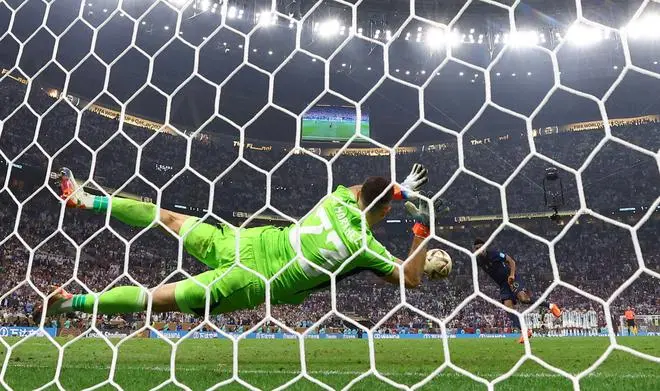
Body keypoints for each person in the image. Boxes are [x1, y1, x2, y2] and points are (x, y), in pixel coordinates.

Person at [35, 165, 433, 320]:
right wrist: (420, 236)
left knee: (166, 217)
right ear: (383, 213)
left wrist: (398, 192)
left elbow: (360, 186)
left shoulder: (338, 198)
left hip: (243, 241)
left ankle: (86, 199)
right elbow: (409, 279)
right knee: (155, 298)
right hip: (251, 281)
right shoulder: (365, 248)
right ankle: (68, 305)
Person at [473, 238, 562, 343]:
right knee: (508, 309)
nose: (479, 249)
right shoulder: (478, 261)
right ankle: (525, 332)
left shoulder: (494, 254)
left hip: (511, 278)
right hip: (503, 285)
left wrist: (511, 275)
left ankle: (551, 306)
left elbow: (511, 261)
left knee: (523, 298)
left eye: (481, 247)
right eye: (477, 248)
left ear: (485, 247)